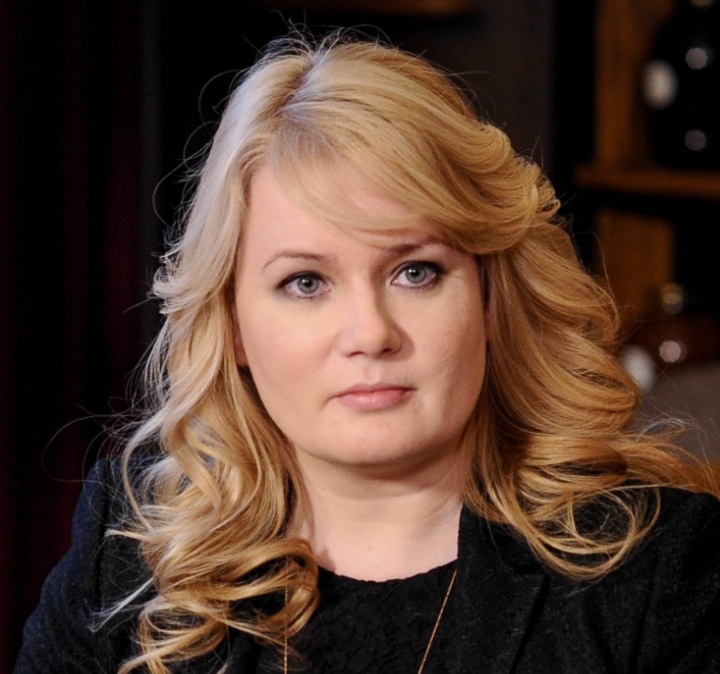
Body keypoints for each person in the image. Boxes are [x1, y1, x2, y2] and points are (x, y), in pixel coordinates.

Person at [14, 29, 720, 674]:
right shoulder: (131, 551)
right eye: (305, 282)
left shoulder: (661, 573)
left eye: (415, 271)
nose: (370, 333)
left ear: (490, 297)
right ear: (233, 326)